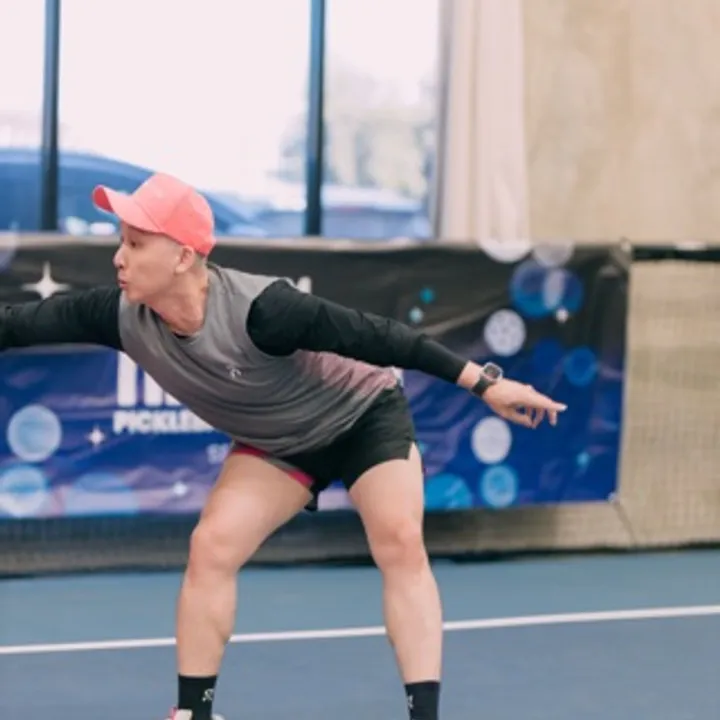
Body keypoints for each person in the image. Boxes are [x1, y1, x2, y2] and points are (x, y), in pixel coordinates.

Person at [0, 173, 567, 720]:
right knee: (212, 546)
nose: (119, 258)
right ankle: (193, 713)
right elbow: (16, 324)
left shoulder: (265, 310)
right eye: (121, 241)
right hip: (279, 445)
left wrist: (485, 384)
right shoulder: (119, 317)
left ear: (183, 256)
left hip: (362, 417)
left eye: (135, 243)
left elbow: (382, 337)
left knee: (398, 540)